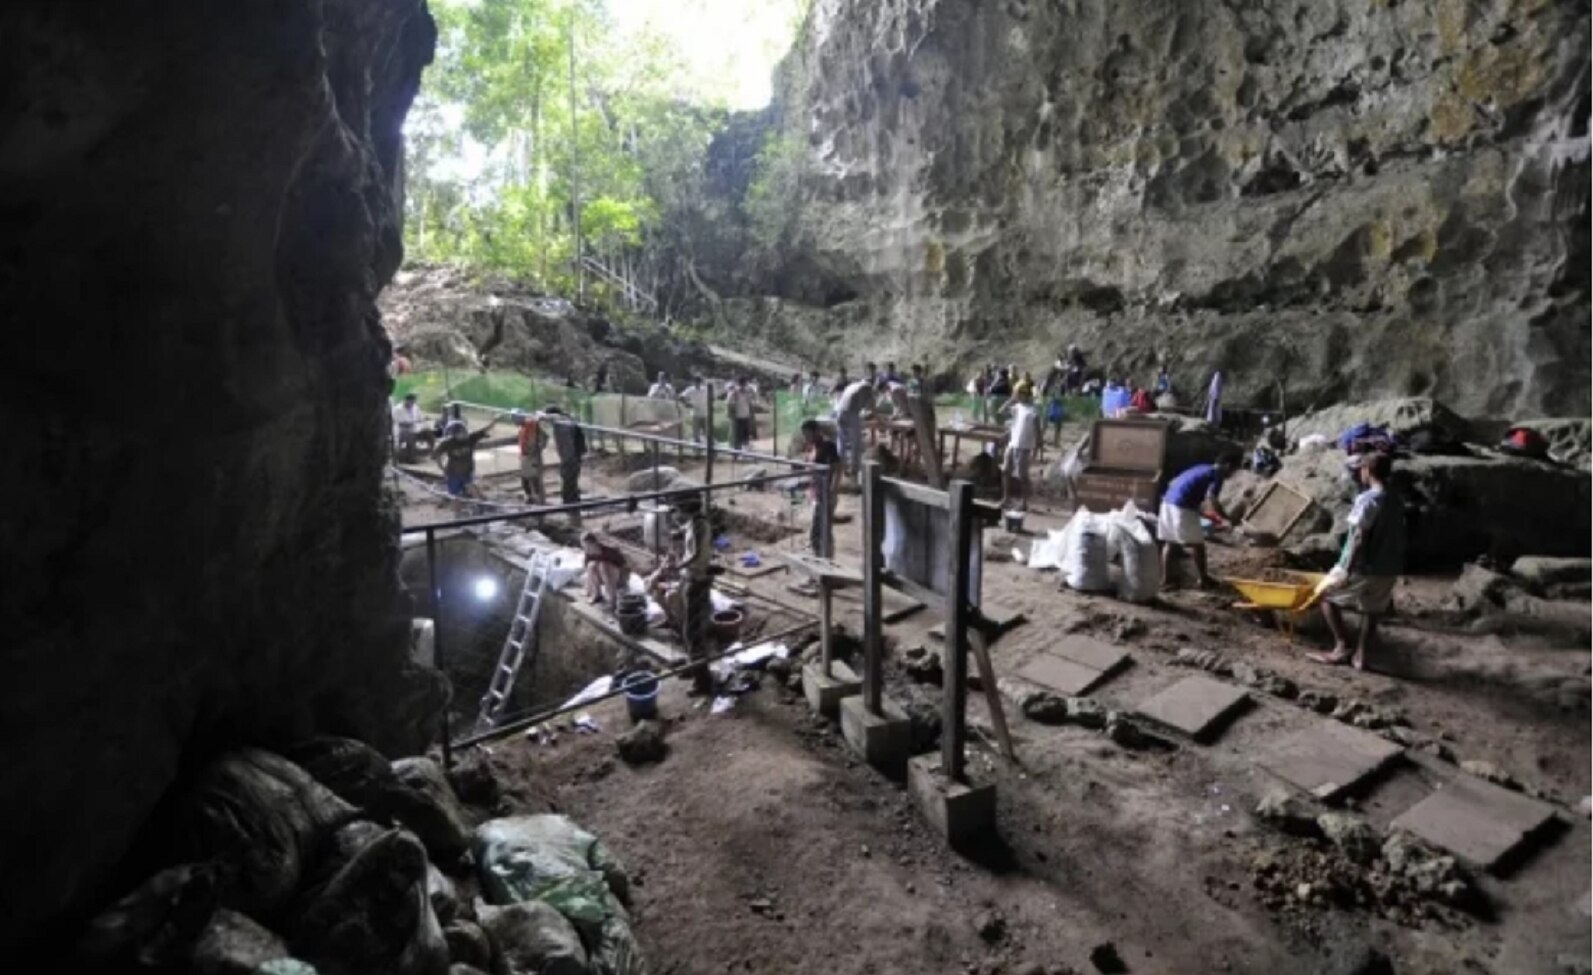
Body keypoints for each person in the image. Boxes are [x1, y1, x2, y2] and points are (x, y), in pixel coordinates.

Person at [1310, 452, 1405, 670]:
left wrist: (1346, 568)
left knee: (1326, 596)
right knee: (1372, 609)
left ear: (1367, 471)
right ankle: (1361, 656)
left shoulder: (1369, 500)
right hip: (1389, 566)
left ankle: (1341, 647)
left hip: (1365, 565)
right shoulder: (1395, 499)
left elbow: (1359, 538)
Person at [1158, 452, 1240, 589]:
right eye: (1234, 470)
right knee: (1198, 545)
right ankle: (1203, 580)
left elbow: (1176, 483)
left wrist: (1203, 513)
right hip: (1181, 507)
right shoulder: (1217, 474)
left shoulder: (1201, 467)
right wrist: (1227, 519)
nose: (1233, 474)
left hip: (1167, 502)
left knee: (1170, 543)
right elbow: (1212, 499)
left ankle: (1166, 581)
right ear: (1228, 466)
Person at [674, 494, 715, 695]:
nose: (676, 513)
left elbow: (697, 553)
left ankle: (703, 682)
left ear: (685, 509)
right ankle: (696, 668)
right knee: (690, 628)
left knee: (693, 633)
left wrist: (679, 564)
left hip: (696, 580)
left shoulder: (699, 525)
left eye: (678, 509)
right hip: (692, 577)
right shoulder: (696, 522)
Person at [432, 412, 501, 498]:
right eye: (460, 432)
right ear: (454, 434)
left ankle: (479, 507)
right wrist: (442, 468)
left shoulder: (470, 438)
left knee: (472, 489)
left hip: (467, 472)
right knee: (455, 496)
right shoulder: (447, 443)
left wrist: (495, 420)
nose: (464, 434)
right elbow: (436, 455)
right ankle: (457, 510)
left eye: (464, 431)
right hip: (453, 473)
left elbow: (486, 429)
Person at [801, 419, 842, 559]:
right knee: (816, 530)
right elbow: (810, 470)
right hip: (816, 493)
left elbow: (838, 469)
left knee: (823, 531)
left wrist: (833, 491)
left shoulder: (828, 446)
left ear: (817, 432)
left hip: (826, 493)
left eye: (808, 434)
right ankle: (820, 559)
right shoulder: (811, 448)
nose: (806, 438)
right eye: (804, 435)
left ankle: (827, 561)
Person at [998, 386, 1041, 511]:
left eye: (1021, 394)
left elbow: (1038, 433)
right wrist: (1011, 399)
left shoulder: (1033, 411)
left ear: (1027, 395)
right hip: (1012, 444)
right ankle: (1006, 498)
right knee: (1005, 470)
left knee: (1022, 476)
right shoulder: (1017, 408)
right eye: (1018, 394)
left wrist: (1036, 450)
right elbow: (1001, 411)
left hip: (1024, 447)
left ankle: (1024, 502)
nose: (1020, 396)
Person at [546, 406, 586, 522]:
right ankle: (573, 506)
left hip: (570, 458)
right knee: (571, 481)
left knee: (568, 482)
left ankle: (571, 508)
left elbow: (567, 447)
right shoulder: (566, 420)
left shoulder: (561, 424)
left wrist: (567, 461)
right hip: (574, 455)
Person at [834, 376, 876, 482]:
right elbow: (872, 408)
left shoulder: (852, 385)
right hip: (851, 414)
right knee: (856, 443)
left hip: (840, 413)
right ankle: (854, 471)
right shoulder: (867, 387)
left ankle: (841, 468)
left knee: (841, 443)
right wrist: (882, 420)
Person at [580, 531, 631, 612]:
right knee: (591, 565)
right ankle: (597, 595)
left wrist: (622, 581)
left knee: (604, 566)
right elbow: (588, 572)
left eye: (588, 547)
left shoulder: (610, 551)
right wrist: (588, 588)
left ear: (595, 543)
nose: (587, 550)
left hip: (618, 578)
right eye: (584, 547)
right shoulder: (588, 554)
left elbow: (625, 567)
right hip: (604, 579)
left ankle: (612, 601)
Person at [516, 409, 546, 503]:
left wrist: (539, 447)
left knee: (534, 478)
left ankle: (538, 498)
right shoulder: (523, 427)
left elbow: (543, 437)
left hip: (531, 456)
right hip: (525, 456)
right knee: (525, 479)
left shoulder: (531, 425)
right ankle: (530, 497)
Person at [392, 393, 424, 462]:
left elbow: (420, 417)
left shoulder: (415, 407)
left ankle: (411, 457)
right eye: (411, 402)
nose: (412, 404)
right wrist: (409, 423)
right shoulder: (398, 409)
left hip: (412, 428)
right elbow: (396, 420)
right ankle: (397, 458)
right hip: (401, 429)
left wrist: (420, 421)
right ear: (406, 400)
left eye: (413, 402)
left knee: (413, 438)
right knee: (404, 439)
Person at [725, 376, 754, 450]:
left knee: (745, 435)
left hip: (745, 415)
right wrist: (731, 414)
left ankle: (745, 450)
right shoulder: (734, 392)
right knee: (737, 435)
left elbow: (750, 403)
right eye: (742, 383)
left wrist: (750, 414)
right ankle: (736, 451)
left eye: (744, 384)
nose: (743, 385)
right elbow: (729, 403)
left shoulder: (747, 392)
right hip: (737, 417)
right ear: (739, 383)